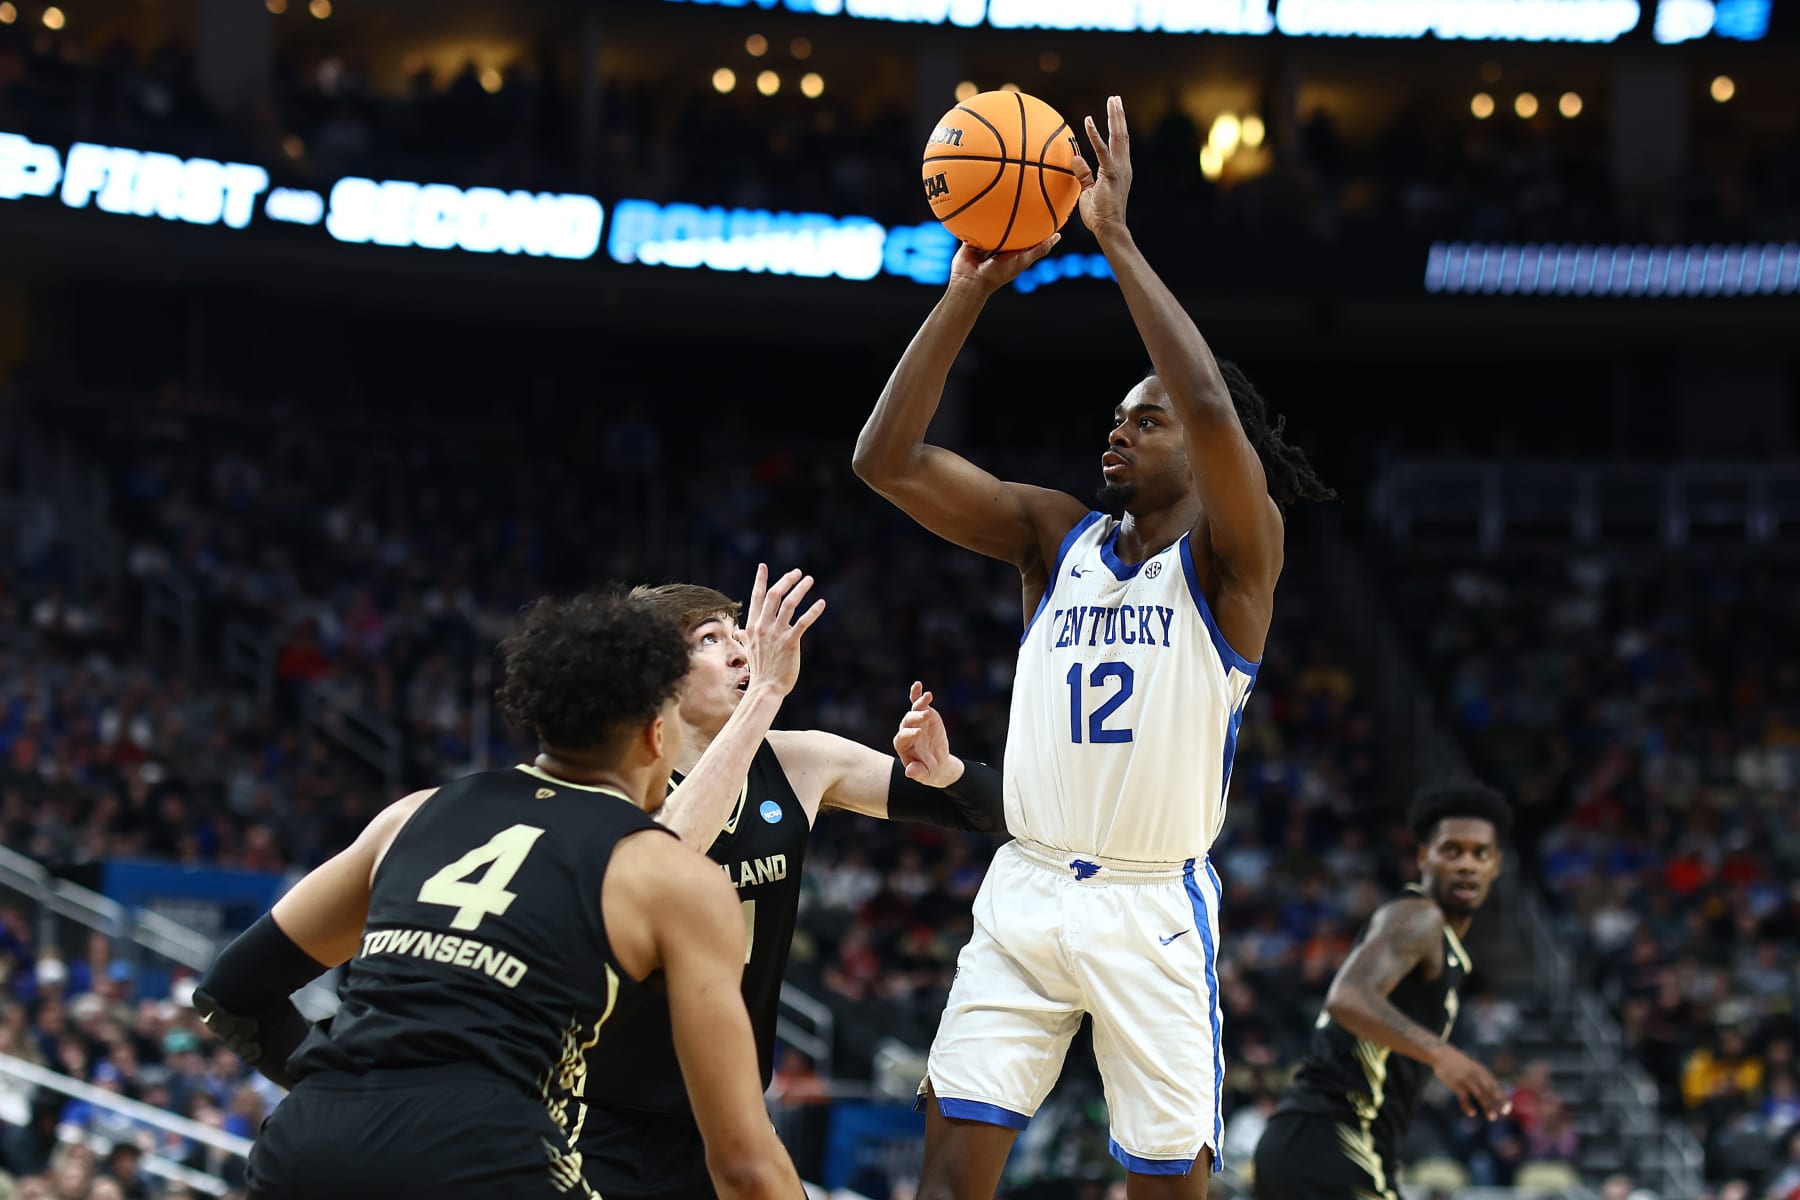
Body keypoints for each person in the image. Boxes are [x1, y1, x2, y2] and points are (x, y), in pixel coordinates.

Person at [851, 95, 1334, 1199]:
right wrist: (966, 291)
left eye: (1144, 420)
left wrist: (1115, 239)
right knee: (946, 1182)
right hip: (1022, 888)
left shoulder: (1234, 561)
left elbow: (1211, 401)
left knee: (1167, 1187)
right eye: (1117, 415)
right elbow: (887, 459)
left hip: (1149, 907)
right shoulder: (1052, 536)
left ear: (1209, 455)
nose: (1118, 429)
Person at [194, 571, 821, 1200]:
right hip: (485, 1155)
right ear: (657, 732)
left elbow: (231, 992)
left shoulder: (411, 815)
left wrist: (344, 1094)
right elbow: (744, 1167)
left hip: (307, 1148)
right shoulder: (656, 867)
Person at [578, 579, 1007, 1200]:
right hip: (602, 1110)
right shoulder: (609, 778)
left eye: (740, 635)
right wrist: (769, 695)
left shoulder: (801, 761)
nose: (741, 652)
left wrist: (947, 772)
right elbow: (660, 861)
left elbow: (988, 811)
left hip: (732, 1113)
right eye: (709, 639)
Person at [1252, 782, 1516, 1200]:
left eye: (1479, 853)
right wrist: (1442, 1054)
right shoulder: (1418, 916)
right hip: (1331, 1141)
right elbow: (1347, 996)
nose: (1466, 864)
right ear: (1423, 856)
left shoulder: (1444, 946)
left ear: (1496, 864)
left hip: (1324, 1143)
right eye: (1452, 851)